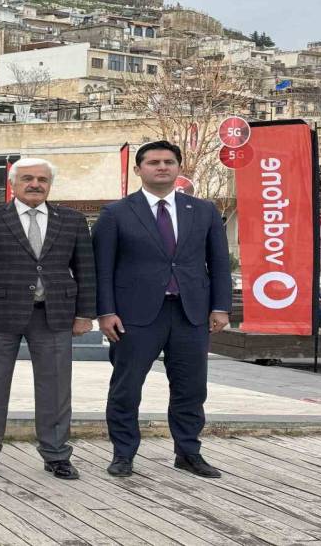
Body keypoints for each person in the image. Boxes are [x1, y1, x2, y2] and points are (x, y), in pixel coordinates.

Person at [93, 140, 232, 479]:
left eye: (169, 161)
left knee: (191, 388)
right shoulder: (116, 213)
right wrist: (105, 311)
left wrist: (220, 307)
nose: (162, 167)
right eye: (153, 162)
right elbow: (102, 268)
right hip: (134, 316)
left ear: (178, 168)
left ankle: (188, 453)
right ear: (138, 169)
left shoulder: (203, 211)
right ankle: (123, 454)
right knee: (126, 388)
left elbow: (218, 263)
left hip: (190, 313)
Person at [0, 158, 96, 480]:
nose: (35, 184)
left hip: (54, 315)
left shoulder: (72, 220)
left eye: (42, 179)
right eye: (27, 178)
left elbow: (86, 269)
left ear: (50, 184)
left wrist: (85, 313)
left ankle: (56, 454)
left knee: (56, 389)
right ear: (12, 183)